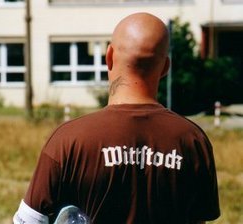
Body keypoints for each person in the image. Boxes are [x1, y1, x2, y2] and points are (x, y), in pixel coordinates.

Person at [13, 12, 220, 224]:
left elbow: (28, 220)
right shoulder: (193, 141)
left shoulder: (68, 140)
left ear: (109, 57)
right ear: (166, 67)